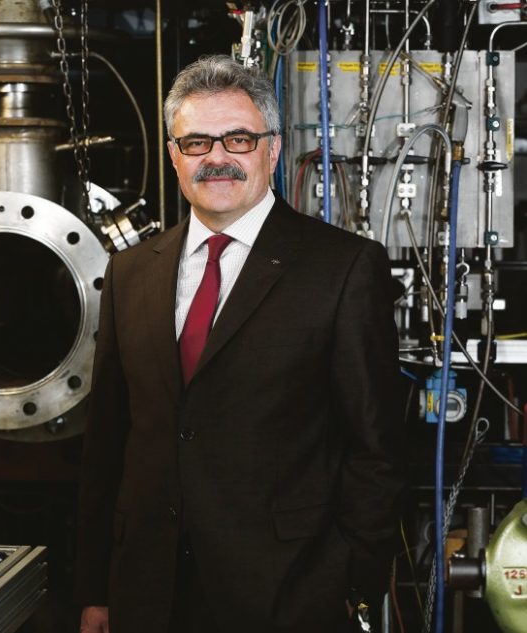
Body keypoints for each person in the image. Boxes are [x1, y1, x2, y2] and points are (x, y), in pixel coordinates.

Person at [75, 55, 404, 633]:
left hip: (287, 593)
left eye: (239, 139)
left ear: (271, 150)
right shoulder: (130, 272)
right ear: (174, 155)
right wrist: (96, 589)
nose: (217, 158)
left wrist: (350, 583)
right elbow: (108, 441)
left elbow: (375, 449)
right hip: (147, 591)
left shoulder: (343, 269)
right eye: (196, 142)